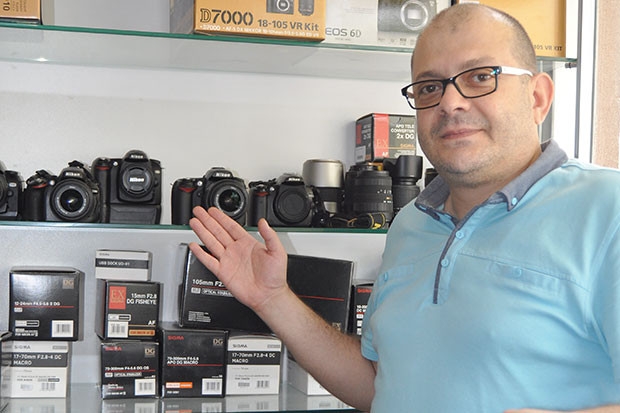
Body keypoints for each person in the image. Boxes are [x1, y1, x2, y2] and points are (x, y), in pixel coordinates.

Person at [189, 4, 620, 412]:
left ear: (538, 97)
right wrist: (274, 299)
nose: (450, 103)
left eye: (479, 77)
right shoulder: (411, 223)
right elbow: (378, 384)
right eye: (430, 87)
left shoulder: (606, 209)